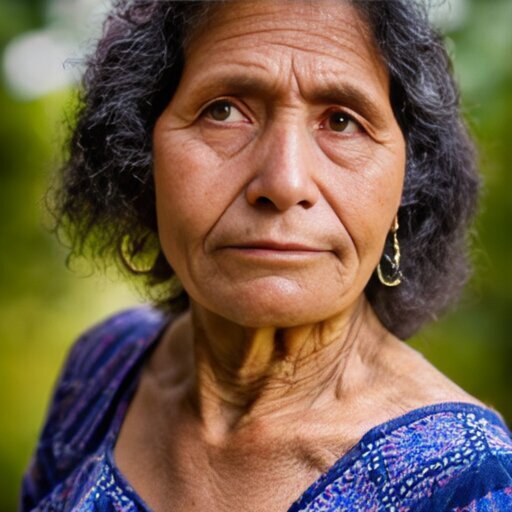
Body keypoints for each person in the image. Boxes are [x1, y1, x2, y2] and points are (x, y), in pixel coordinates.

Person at [20, 0, 512, 510]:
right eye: (224, 111)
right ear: (141, 158)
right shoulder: (104, 366)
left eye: (342, 122)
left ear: (406, 188)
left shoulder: (470, 482)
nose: (284, 181)